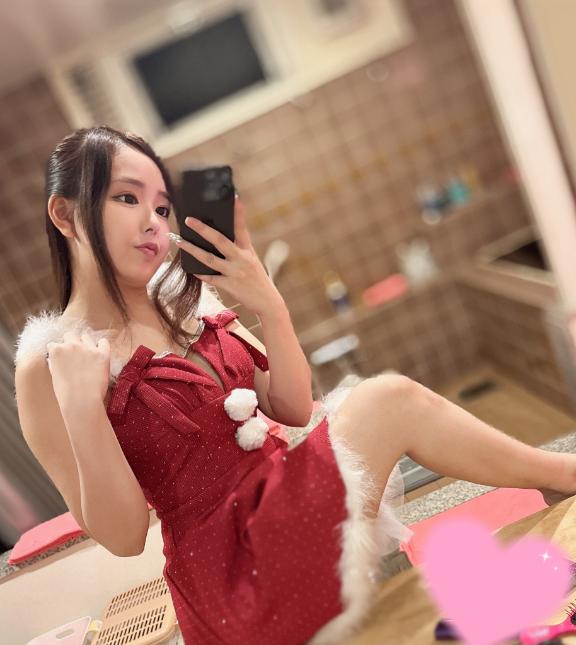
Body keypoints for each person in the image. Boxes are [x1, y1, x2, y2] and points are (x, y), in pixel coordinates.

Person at [13, 125, 576, 645]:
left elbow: (292, 406)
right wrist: (83, 409)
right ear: (66, 215)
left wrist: (269, 304)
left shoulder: (187, 302)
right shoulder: (48, 362)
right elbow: (123, 537)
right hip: (231, 575)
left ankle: (559, 475)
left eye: (162, 206)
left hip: (285, 512)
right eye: (126, 198)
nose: (153, 223)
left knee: (388, 400)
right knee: (387, 399)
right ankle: (562, 475)